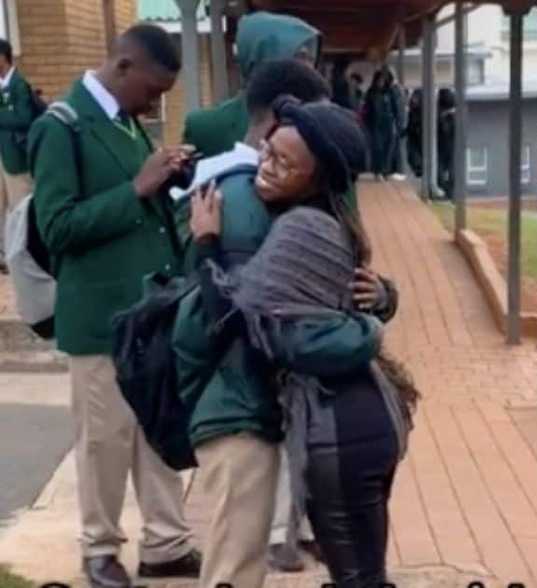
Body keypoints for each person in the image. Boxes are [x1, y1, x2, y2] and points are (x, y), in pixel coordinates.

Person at [173, 62, 395, 588]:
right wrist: (373, 316)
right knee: (242, 563)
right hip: (249, 410)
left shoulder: (301, 225)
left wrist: (376, 310)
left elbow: (279, 316)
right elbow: (260, 316)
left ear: (317, 176)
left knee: (245, 565)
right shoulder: (271, 207)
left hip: (275, 411)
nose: (265, 168)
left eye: (283, 162)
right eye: (269, 152)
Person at [28, 24, 201, 588]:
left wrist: (171, 177)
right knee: (105, 440)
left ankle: (166, 543)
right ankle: (99, 549)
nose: (157, 103)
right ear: (123, 66)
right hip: (99, 317)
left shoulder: (127, 123)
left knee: (157, 429)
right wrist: (137, 188)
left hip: (149, 309)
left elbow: (143, 204)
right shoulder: (61, 128)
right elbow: (57, 227)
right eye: (152, 90)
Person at [183, 11, 321, 158]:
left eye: (310, 58)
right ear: (262, 57)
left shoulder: (324, 121)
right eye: (298, 57)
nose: (308, 69)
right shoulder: (208, 127)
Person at [0, 37, 34, 273]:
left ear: (3, 58)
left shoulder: (20, 85)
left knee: (19, 208)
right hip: (2, 156)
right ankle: (4, 255)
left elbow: (24, 118)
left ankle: (23, 255)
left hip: (15, 158)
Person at [363, 68, 404, 180]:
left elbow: (397, 109)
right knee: (377, 148)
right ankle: (378, 171)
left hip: (389, 124)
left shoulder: (391, 92)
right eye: (379, 79)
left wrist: (398, 124)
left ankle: (385, 171)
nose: (381, 82)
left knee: (388, 148)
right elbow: (366, 109)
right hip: (375, 124)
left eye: (383, 80)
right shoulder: (371, 92)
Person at [436, 88, 455, 198]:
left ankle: (448, 195)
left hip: (447, 147)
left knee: (449, 174)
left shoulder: (450, 115)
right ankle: (445, 194)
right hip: (443, 147)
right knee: (443, 174)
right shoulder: (440, 113)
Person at [405, 89, 423, 180]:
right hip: (413, 135)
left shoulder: (423, 110)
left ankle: (419, 169)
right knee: (412, 154)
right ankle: (418, 169)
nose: (413, 99)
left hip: (419, 136)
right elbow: (410, 122)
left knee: (415, 154)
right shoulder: (413, 110)